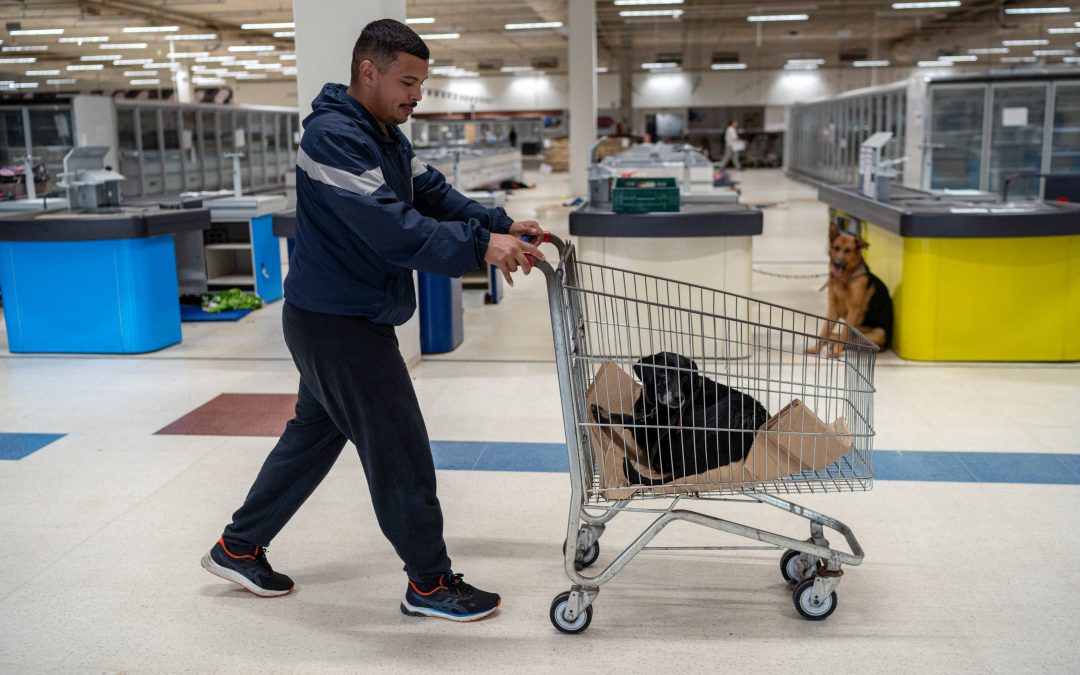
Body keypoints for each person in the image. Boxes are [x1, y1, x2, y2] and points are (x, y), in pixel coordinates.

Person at [200, 18, 545, 623]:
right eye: (408, 81)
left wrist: (495, 223)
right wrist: (476, 248)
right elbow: (390, 226)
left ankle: (238, 546)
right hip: (337, 322)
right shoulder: (334, 138)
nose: (416, 95)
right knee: (399, 446)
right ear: (369, 70)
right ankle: (430, 584)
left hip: (342, 312)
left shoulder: (383, 135)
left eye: (421, 84)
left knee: (312, 437)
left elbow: (431, 193)